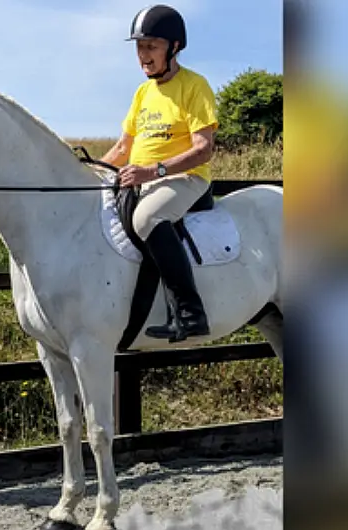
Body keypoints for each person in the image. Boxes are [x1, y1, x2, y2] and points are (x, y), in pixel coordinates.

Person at [101, 4, 218, 342]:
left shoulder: (195, 86)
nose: (143, 55)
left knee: (146, 219)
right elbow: (123, 148)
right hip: (145, 177)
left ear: (175, 47)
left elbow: (204, 149)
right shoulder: (143, 92)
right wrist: (93, 176)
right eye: (139, 47)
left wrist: (154, 171)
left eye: (151, 46)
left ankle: (190, 313)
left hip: (186, 178)